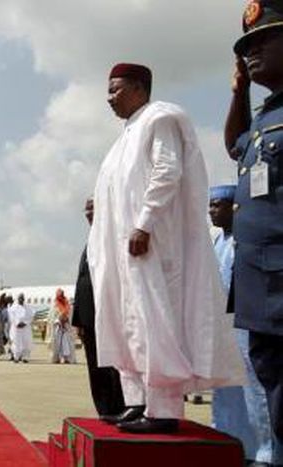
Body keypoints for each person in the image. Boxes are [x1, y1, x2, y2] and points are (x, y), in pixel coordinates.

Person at [88, 63, 243, 434]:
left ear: (139, 88)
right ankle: (137, 402)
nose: (109, 98)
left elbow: (166, 171)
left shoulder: (160, 117)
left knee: (153, 322)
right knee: (128, 325)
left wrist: (145, 223)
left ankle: (164, 410)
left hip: (151, 245)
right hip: (123, 252)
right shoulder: (125, 136)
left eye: (116, 89)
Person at [226, 2, 283, 457]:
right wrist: (239, 91)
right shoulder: (264, 119)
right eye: (246, 46)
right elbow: (234, 145)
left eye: (262, 40)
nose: (250, 52)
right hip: (263, 294)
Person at [209, 185, 279, 465]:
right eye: (210, 206)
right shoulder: (216, 242)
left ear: (233, 207)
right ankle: (228, 440)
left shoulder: (246, 238)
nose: (211, 211)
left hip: (245, 319)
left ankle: (266, 450)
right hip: (222, 324)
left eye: (217, 205)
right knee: (225, 387)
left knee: (254, 385)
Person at [72, 197, 125, 418]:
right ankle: (104, 409)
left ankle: (118, 408)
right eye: (86, 210)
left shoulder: (114, 236)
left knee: (112, 365)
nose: (89, 213)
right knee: (94, 365)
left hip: (108, 314)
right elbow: (82, 281)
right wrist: (78, 319)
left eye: (93, 209)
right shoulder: (91, 240)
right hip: (88, 316)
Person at [49, 289, 76, 364]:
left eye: (62, 294)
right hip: (57, 327)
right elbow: (51, 317)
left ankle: (67, 358)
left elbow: (70, 315)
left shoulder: (67, 304)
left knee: (67, 343)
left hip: (67, 327)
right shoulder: (54, 305)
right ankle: (56, 358)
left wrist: (66, 320)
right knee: (57, 344)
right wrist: (58, 321)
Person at [7, 293, 34, 363]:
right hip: (16, 328)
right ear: (18, 299)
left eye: (22, 298)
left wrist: (25, 323)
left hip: (25, 328)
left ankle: (25, 357)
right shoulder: (13, 307)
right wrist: (17, 323)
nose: (21, 299)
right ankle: (16, 357)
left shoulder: (28, 307)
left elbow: (31, 317)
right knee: (16, 342)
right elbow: (11, 317)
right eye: (20, 298)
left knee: (26, 342)